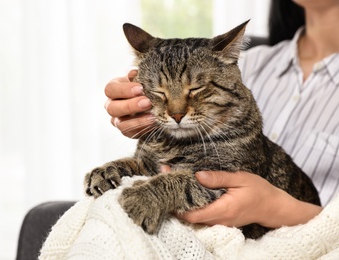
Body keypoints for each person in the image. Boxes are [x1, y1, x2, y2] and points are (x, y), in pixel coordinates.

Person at [103, 0, 339, 231]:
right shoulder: (253, 61)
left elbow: (216, 178)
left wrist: (276, 209)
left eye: (195, 91)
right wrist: (136, 108)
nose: (177, 112)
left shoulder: (226, 67)